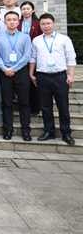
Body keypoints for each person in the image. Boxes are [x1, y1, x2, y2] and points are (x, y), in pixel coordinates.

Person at [29, 13, 77, 145]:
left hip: (59, 77)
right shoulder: (36, 40)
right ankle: (49, 131)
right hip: (42, 76)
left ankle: (66, 133)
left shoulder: (64, 39)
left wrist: (71, 75)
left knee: (63, 107)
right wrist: (31, 74)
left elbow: (71, 57)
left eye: (48, 23)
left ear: (54, 24)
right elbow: (33, 58)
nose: (46, 26)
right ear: (40, 25)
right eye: (43, 24)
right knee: (46, 107)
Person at [0, 11, 32, 141]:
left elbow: (27, 56)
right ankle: (8, 130)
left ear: (18, 22)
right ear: (5, 22)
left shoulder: (25, 37)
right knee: (7, 102)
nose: (11, 22)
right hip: (5, 72)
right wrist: (5, 68)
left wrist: (14, 68)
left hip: (21, 72)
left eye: (14, 19)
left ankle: (26, 131)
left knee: (24, 102)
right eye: (9, 20)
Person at [18, 1, 42, 115]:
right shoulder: (17, 22)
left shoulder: (38, 23)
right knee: (23, 82)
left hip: (34, 55)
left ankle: (35, 107)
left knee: (33, 81)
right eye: (23, 9)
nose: (26, 11)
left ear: (33, 10)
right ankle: (23, 105)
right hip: (19, 56)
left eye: (28, 9)